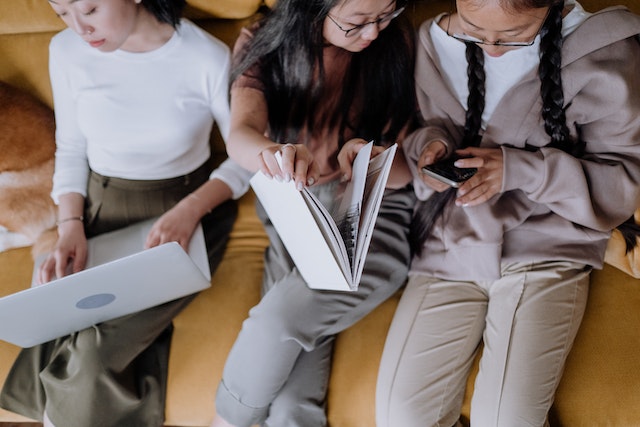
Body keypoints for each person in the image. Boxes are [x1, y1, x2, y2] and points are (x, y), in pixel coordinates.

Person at [375, 0, 640, 426]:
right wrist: (430, 146)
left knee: (506, 419)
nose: (491, 49)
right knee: (400, 417)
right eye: (474, 30)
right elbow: (419, 127)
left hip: (546, 248)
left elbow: (622, 180)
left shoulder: (603, 50)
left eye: (514, 37)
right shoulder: (430, 40)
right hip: (450, 245)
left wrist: (519, 169)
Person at [0, 0, 252, 426]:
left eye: (91, 9)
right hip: (97, 207)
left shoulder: (203, 56)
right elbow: (73, 148)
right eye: (62, 13)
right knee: (57, 322)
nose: (80, 27)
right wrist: (69, 226)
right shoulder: (66, 52)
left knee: (93, 354)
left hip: (183, 212)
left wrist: (190, 212)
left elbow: (245, 159)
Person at [209, 0, 417, 426]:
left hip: (373, 218)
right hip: (297, 211)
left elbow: (403, 175)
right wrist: (273, 153)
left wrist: (367, 158)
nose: (374, 32)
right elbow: (240, 135)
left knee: (276, 321)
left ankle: (227, 421)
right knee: (290, 407)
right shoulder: (263, 43)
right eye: (358, 22)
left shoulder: (396, 43)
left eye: (385, 15)